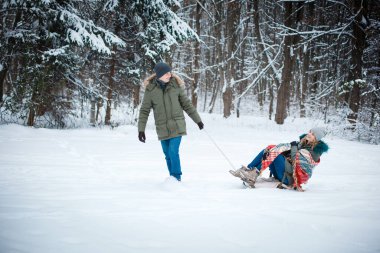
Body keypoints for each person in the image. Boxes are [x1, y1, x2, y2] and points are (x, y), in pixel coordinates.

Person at [137, 62, 204, 181]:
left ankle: (177, 178)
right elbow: (144, 111)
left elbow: (187, 105)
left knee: (173, 152)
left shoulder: (175, 86)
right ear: (159, 75)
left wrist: (198, 121)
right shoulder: (151, 90)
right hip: (162, 128)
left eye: (170, 72)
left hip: (177, 126)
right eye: (167, 73)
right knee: (167, 155)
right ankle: (172, 178)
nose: (170, 75)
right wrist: (141, 130)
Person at [229, 127, 329, 191]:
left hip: (289, 179)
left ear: (316, 139)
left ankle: (252, 175)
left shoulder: (315, 152)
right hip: (282, 172)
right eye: (310, 131)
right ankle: (249, 170)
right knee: (268, 150)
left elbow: (296, 161)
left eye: (312, 134)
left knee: (275, 155)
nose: (309, 133)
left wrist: (293, 147)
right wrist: (284, 149)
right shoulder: (302, 143)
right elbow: (290, 153)